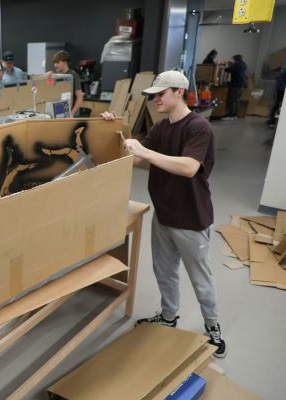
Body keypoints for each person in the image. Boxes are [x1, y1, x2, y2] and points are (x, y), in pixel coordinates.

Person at [101, 70, 226, 359]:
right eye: (154, 94)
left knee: (200, 278)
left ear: (179, 92)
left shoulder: (198, 128)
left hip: (191, 219)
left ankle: (213, 328)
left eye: (161, 93)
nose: (155, 99)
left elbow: (188, 167)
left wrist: (145, 151)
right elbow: (133, 157)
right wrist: (112, 129)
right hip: (164, 215)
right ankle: (169, 316)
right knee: (165, 273)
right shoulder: (160, 129)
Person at [51, 50, 84, 117]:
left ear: (65, 62)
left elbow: (80, 98)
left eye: (57, 63)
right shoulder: (56, 75)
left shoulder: (73, 75)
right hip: (59, 112)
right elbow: (49, 84)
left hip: (71, 114)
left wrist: (72, 113)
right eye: (54, 63)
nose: (55, 65)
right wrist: (47, 77)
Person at [223, 54, 247, 120]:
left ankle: (231, 116)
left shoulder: (237, 65)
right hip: (241, 85)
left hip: (236, 85)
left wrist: (228, 65)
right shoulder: (243, 64)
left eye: (233, 59)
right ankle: (235, 115)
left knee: (232, 100)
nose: (233, 61)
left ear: (236, 60)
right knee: (237, 100)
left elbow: (226, 69)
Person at [267, 61, 286, 129]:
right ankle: (273, 122)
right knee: (279, 106)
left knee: (277, 104)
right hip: (283, 89)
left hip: (280, 87)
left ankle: (272, 120)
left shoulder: (284, 64)